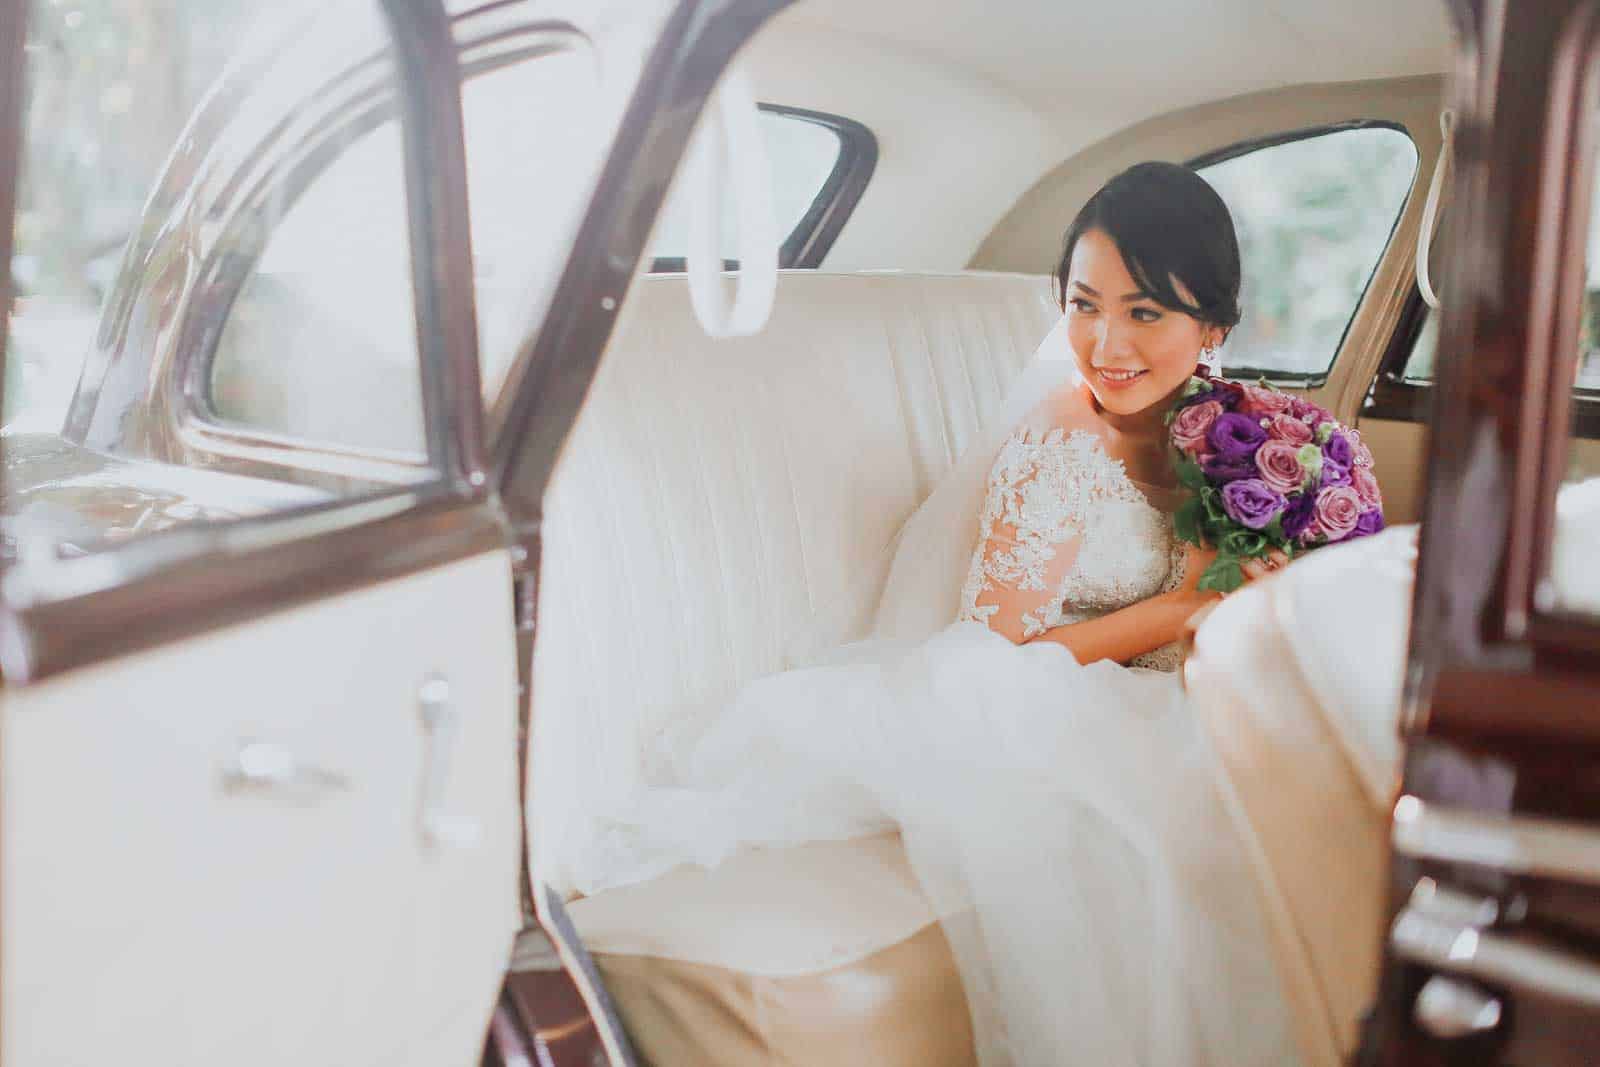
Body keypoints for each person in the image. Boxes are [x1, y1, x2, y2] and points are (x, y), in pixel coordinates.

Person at [577, 162, 1304, 1066]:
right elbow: (994, 654)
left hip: (1159, 693)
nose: (1105, 341)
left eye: (1145, 312)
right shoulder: (1062, 440)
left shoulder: (1233, 439)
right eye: (1084, 305)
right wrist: (1182, 609)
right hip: (1018, 697)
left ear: (1214, 329)